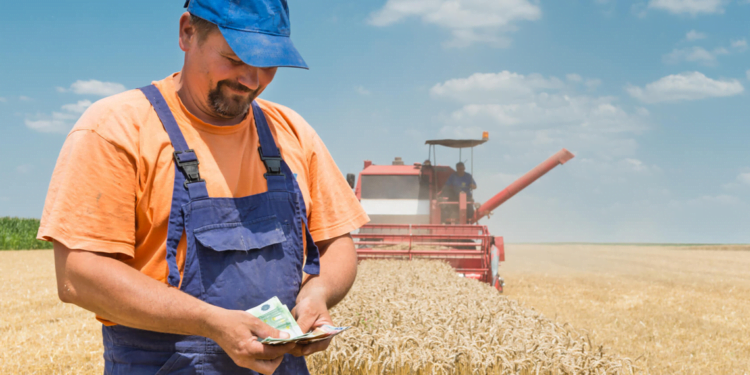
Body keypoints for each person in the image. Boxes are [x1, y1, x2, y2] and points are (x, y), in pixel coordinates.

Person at [37, 1, 369, 374]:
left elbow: (337, 243)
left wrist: (317, 293)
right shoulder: (117, 128)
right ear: (187, 32)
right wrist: (211, 322)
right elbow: (77, 275)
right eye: (235, 58)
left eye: (268, 64)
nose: (252, 79)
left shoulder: (291, 132)